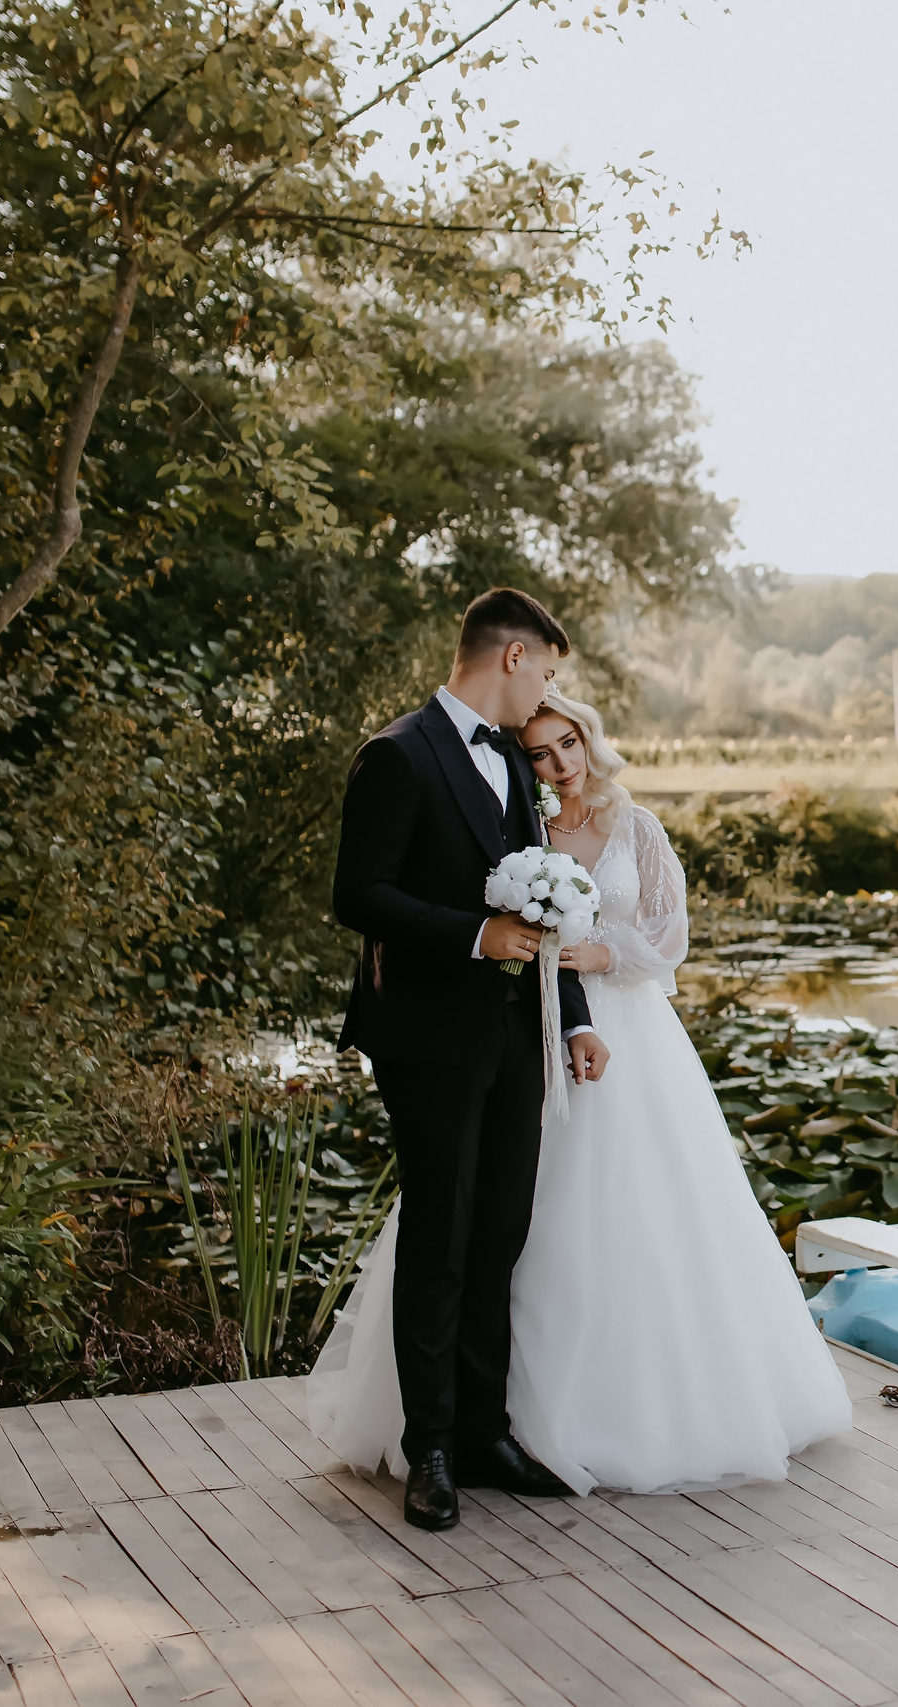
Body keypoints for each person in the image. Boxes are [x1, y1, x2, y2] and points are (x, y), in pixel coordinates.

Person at [311, 683, 851, 1499]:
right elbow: (460, 920)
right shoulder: (514, 825)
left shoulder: (632, 823)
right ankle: (470, 1424)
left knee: (635, 1220)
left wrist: (600, 959)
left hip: (623, 1028)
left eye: (567, 743)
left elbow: (670, 936)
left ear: (588, 740)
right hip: (524, 1037)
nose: (558, 762)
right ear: (524, 757)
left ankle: (624, 1410)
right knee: (513, 1229)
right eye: (541, 750)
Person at [321, 588, 614, 1532]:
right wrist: (470, 936)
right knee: (440, 1241)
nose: (549, 695)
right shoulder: (397, 755)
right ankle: (432, 1448)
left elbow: (550, 910)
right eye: (549, 673)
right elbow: (358, 892)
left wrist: (569, 1015)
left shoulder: (512, 770)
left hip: (516, 1038)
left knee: (500, 1233)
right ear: (516, 655)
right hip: (429, 1038)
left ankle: (487, 1432)